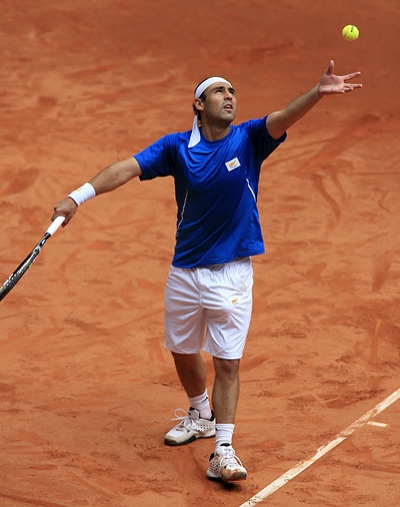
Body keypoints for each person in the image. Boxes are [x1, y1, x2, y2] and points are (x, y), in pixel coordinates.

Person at [52, 60, 362, 483]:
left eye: (233, 91)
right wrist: (77, 196)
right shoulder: (177, 148)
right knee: (182, 350)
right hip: (184, 271)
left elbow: (285, 116)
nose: (230, 96)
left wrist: (317, 92)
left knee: (227, 363)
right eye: (219, 91)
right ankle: (200, 414)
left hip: (231, 274)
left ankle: (224, 449)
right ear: (199, 104)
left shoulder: (249, 139)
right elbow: (127, 167)